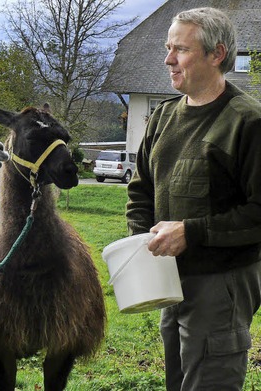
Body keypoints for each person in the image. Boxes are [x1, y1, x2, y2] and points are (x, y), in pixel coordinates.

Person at [126, 7, 261, 391]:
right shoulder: (163, 117)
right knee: (178, 380)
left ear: (216, 54)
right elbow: (141, 189)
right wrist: (141, 244)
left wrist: (192, 232)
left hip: (222, 282)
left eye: (180, 50)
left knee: (209, 381)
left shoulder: (247, 122)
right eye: (168, 48)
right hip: (169, 277)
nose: (168, 59)